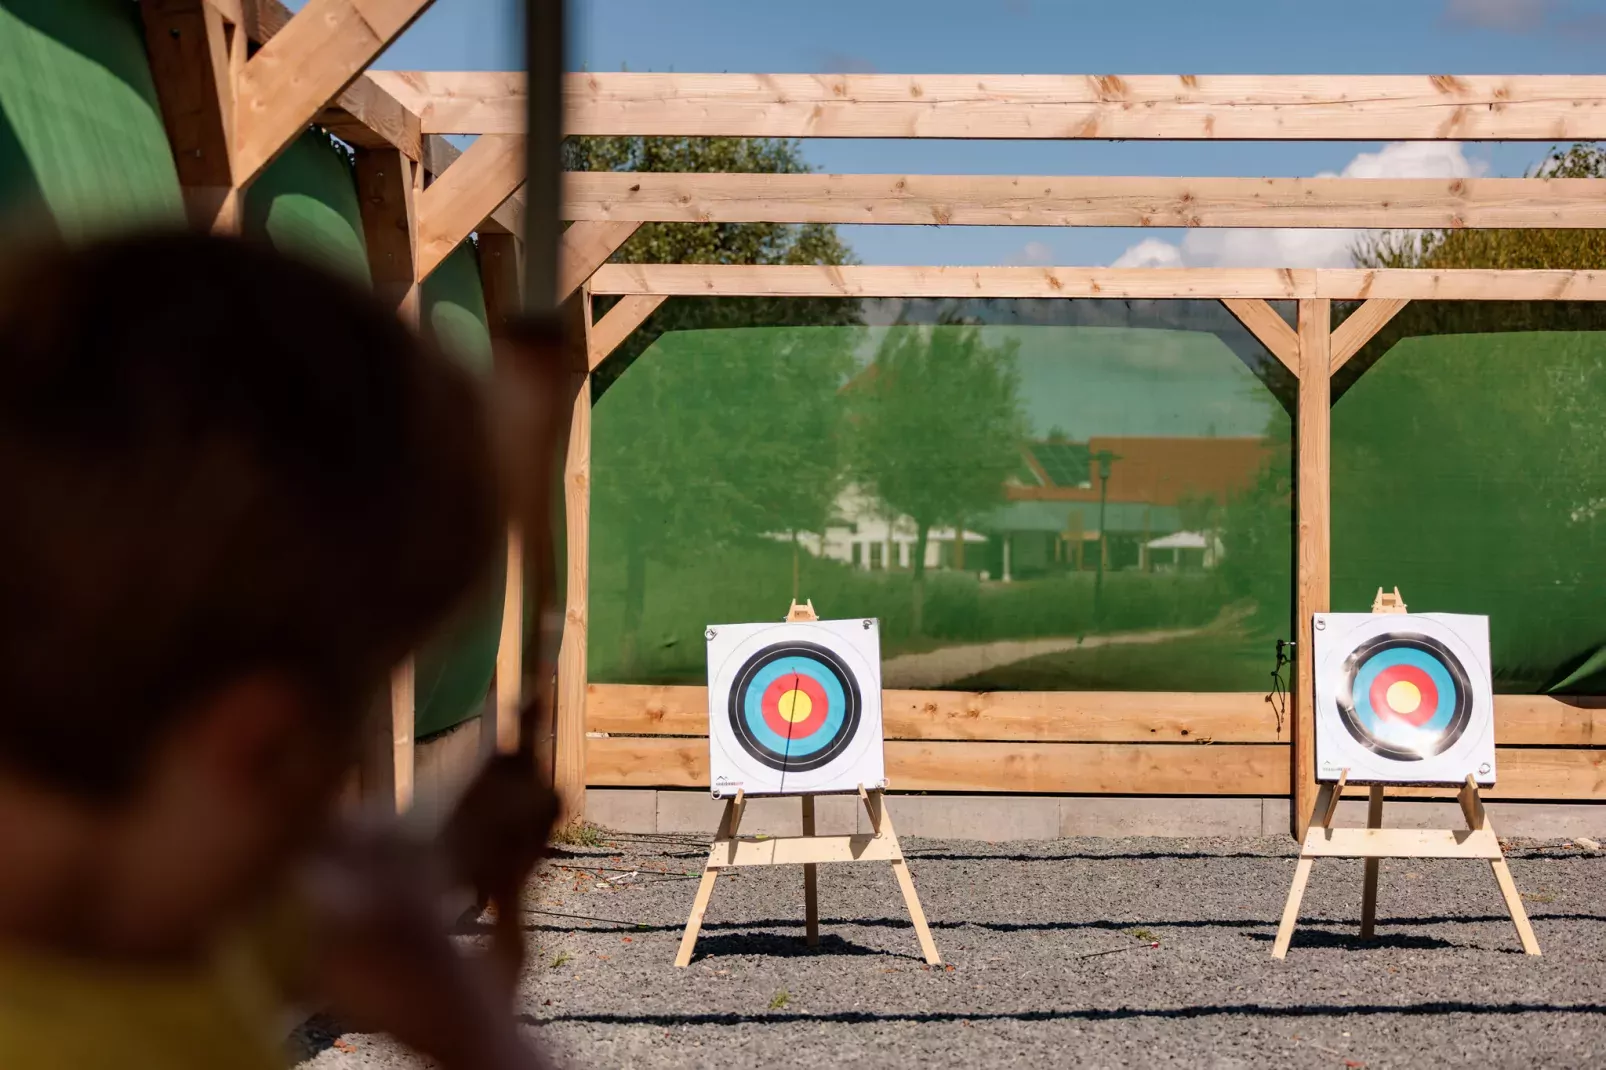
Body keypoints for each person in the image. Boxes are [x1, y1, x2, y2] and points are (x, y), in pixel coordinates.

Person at [0, 231, 556, 1069]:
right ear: (259, 744)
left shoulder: (131, 903)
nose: (318, 834)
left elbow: (323, 886)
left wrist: (447, 854)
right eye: (320, 779)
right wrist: (476, 1026)